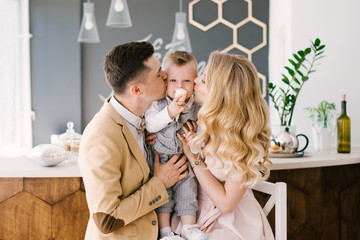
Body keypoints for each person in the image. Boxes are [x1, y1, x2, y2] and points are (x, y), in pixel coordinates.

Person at [78, 41, 189, 240]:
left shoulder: (143, 120)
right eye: (158, 74)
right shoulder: (101, 136)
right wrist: (160, 183)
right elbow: (107, 219)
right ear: (137, 90)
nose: (166, 76)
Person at [175, 51, 275, 239]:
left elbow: (226, 204)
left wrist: (194, 159)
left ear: (221, 93)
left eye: (203, 80)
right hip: (195, 211)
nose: (195, 80)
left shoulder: (241, 141)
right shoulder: (202, 119)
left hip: (230, 221)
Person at [145, 51, 205, 240]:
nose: (179, 86)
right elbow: (151, 124)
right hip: (161, 160)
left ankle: (189, 226)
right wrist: (170, 111)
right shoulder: (157, 104)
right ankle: (165, 232)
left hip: (185, 161)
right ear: (165, 80)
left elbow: (205, 131)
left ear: (194, 82)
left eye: (186, 81)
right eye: (173, 81)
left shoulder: (197, 107)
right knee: (164, 196)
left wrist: (196, 137)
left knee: (189, 190)